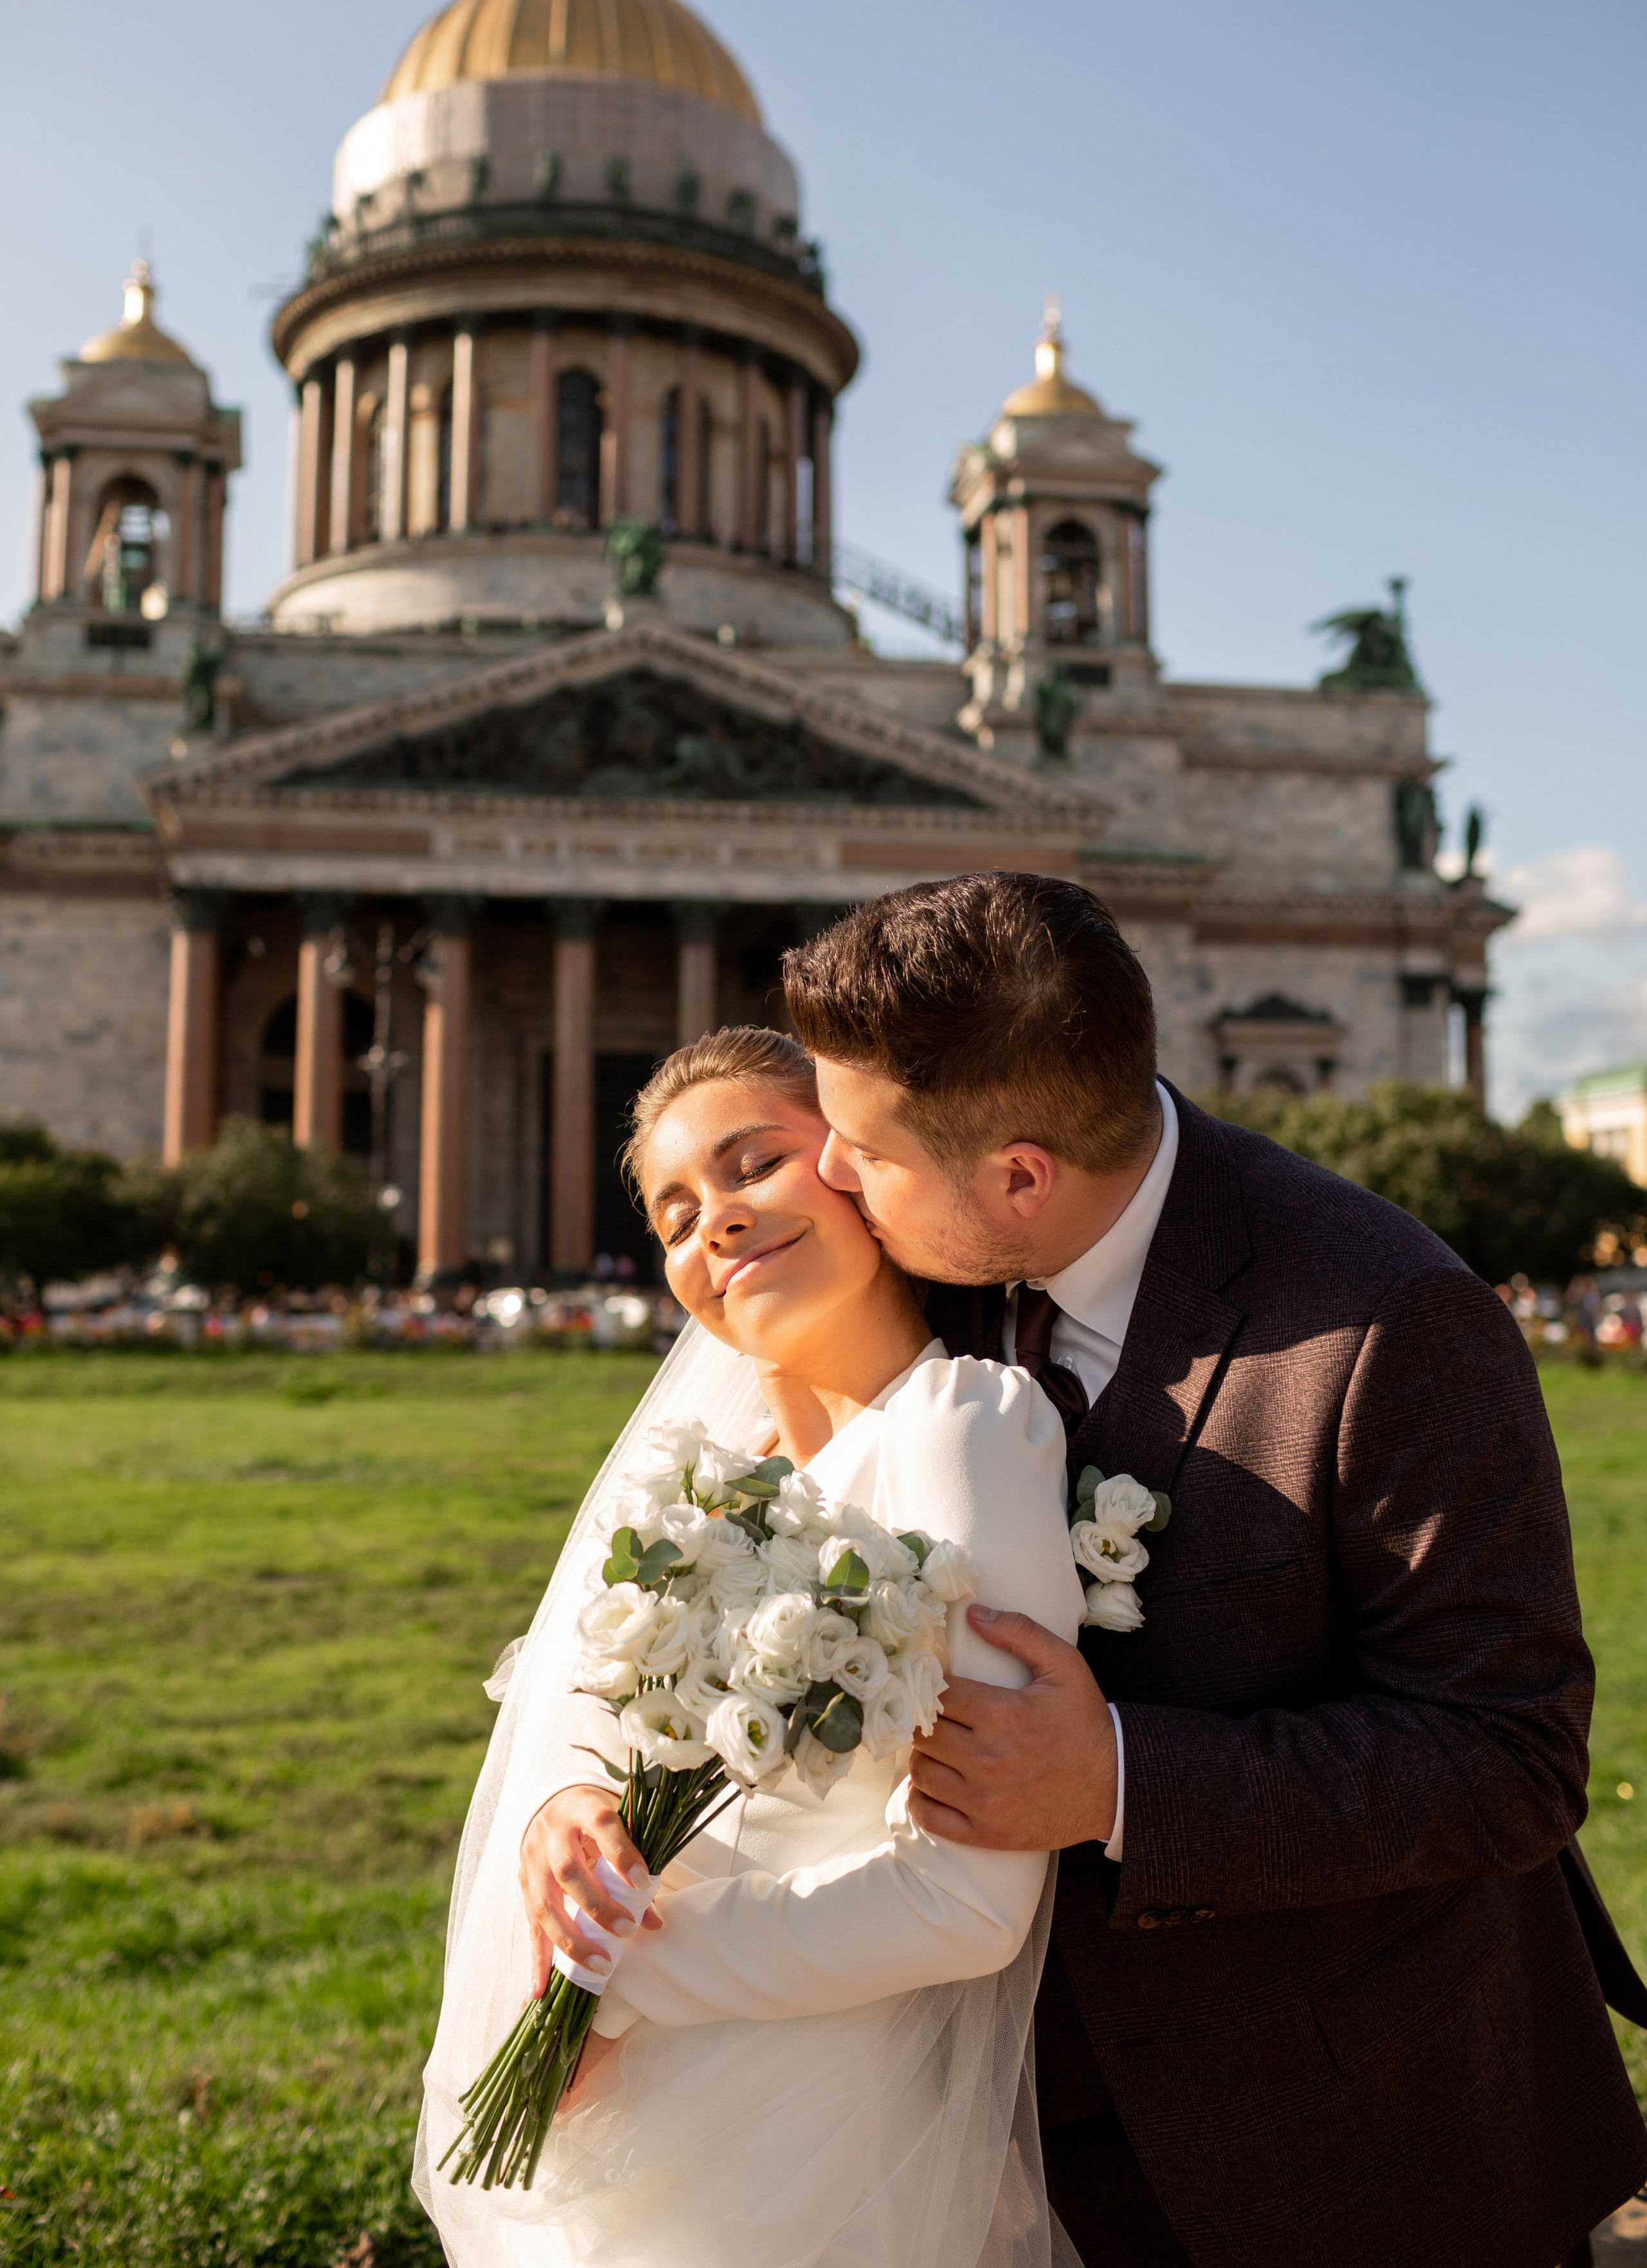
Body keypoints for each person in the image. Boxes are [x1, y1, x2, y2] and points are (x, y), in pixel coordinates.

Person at [782, 869, 1647, 2268]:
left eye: (859, 1152)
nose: (826, 1176)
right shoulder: (914, 1264)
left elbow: (1509, 1756)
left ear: (1018, 1173)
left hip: (1354, 2147)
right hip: (1007, 2143)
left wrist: (1116, 1778)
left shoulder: (1386, 1320)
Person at [416, 1027, 1087, 2268]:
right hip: (629, 2119)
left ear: (860, 1166)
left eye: (752, 1165)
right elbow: (585, 1709)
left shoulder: (960, 1430)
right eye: (674, 1214)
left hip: (805, 2141)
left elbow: (968, 1900)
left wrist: (617, 1982)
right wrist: (567, 1797)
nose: (712, 1223)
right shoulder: (707, 1494)